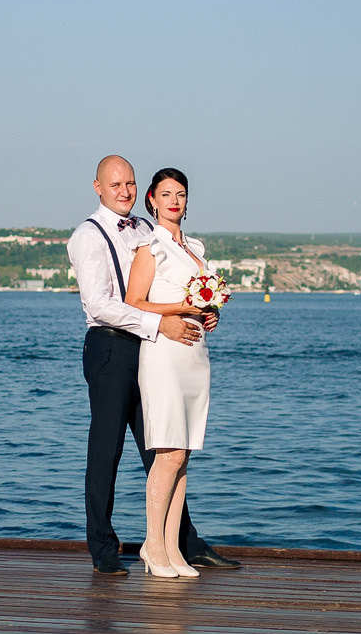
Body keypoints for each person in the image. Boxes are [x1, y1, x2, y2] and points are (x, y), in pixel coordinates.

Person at [65, 154, 237, 577]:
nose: (124, 191)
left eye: (130, 184)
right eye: (116, 184)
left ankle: (182, 541)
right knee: (107, 448)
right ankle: (103, 546)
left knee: (166, 447)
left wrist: (202, 312)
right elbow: (101, 305)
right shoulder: (87, 236)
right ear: (98, 187)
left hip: (153, 345)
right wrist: (160, 321)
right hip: (110, 346)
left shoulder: (148, 229)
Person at [125, 166, 215, 579]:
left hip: (195, 355)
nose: (175, 201)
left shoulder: (195, 247)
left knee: (184, 456)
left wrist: (209, 314)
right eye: (166, 194)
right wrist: (179, 310)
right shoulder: (151, 248)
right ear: (152, 200)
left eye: (181, 193)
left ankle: (174, 549)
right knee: (168, 453)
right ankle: (152, 545)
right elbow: (134, 300)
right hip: (163, 354)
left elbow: (201, 298)